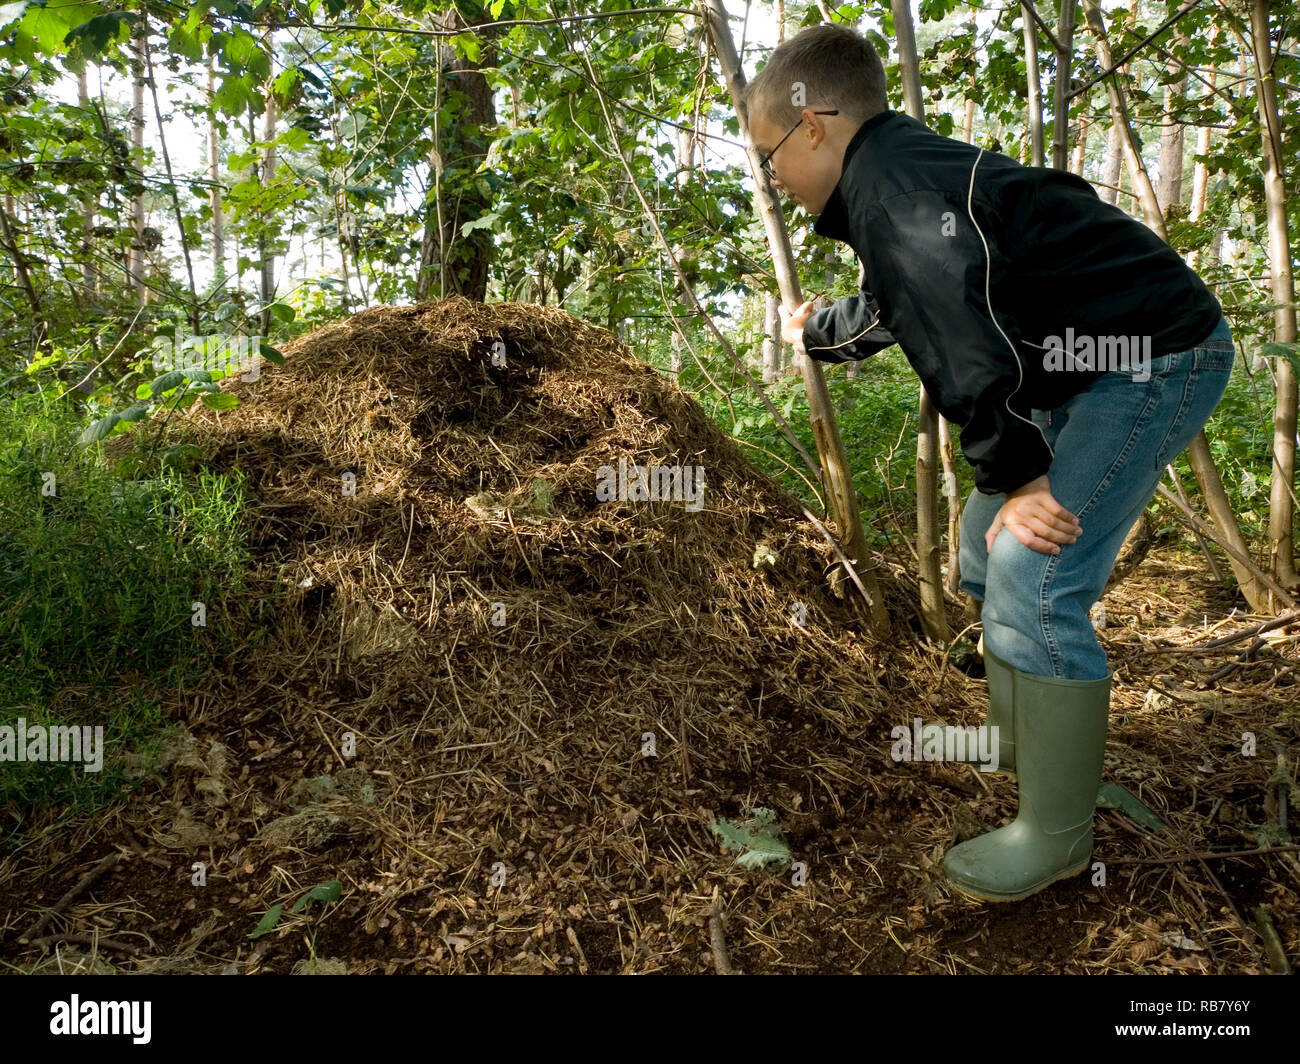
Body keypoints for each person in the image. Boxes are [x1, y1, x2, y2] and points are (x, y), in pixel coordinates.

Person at [743, 24, 1234, 902]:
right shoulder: (894, 182)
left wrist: (1026, 471)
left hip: (1151, 357)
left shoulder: (894, 192)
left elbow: (967, 345)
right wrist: (816, 333)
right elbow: (910, 298)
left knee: (1031, 568)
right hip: (1090, 359)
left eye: (769, 151)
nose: (773, 177)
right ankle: (1021, 738)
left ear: (811, 124)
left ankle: (1055, 834)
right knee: (982, 538)